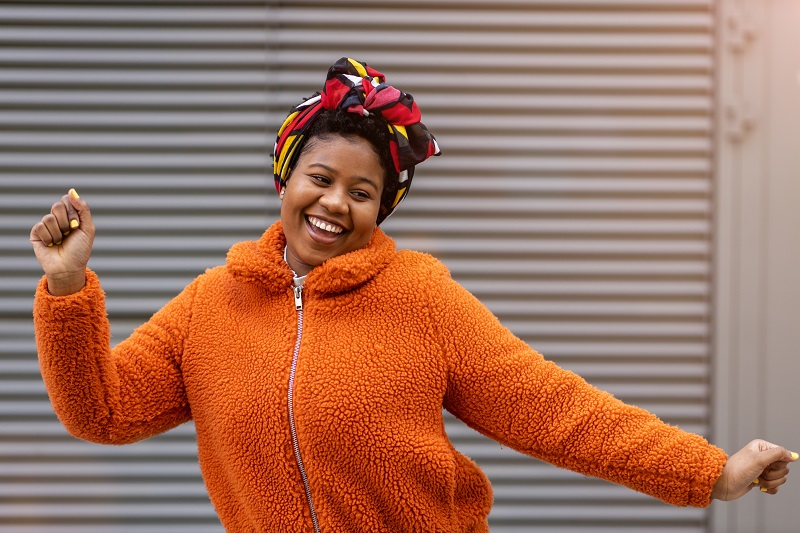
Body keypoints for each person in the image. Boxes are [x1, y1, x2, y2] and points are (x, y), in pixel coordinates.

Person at [30, 57, 796, 532]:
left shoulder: (422, 298)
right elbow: (101, 410)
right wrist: (66, 285)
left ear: (383, 207)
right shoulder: (211, 304)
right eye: (320, 178)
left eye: (363, 192)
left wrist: (708, 471)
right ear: (286, 177)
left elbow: (556, 411)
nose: (335, 203)